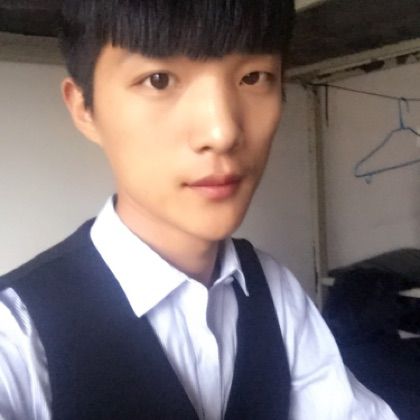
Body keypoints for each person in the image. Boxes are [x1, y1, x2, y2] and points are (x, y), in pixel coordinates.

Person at [0, 1, 398, 419]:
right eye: (158, 80)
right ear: (84, 107)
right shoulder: (17, 336)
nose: (222, 131)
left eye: (253, 77)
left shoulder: (272, 288)